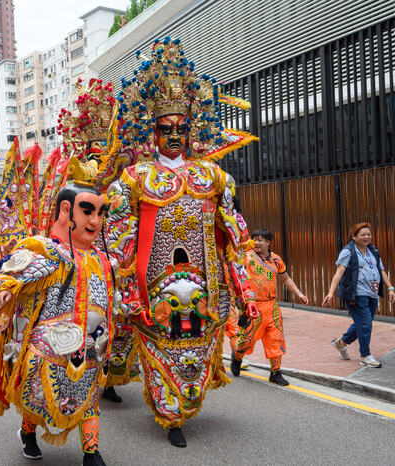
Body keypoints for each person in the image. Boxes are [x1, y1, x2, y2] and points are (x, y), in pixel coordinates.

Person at [107, 38, 259, 448]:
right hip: (152, 283)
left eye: (181, 129)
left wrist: (244, 291)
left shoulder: (214, 178)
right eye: (165, 129)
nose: (174, 136)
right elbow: (119, 240)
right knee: (164, 347)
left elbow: (231, 241)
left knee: (195, 347)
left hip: (207, 282)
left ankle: (183, 404)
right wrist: (126, 292)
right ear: (151, 131)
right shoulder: (134, 180)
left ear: (192, 130)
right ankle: (169, 414)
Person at [0, 159, 117, 466]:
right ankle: (28, 432)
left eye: (100, 213)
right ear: (66, 211)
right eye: (87, 211)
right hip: (49, 348)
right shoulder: (46, 251)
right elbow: (8, 278)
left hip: (92, 347)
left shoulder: (103, 260)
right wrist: (2, 292)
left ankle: (92, 453)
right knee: (37, 401)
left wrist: (130, 311)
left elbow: (109, 299)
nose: (95, 221)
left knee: (90, 401)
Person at [230, 230, 308, 385]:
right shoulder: (246, 257)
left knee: (275, 340)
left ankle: (275, 373)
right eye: (254, 240)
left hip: (272, 307)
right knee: (246, 340)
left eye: (260, 240)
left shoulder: (276, 260)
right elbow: (236, 277)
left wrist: (298, 293)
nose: (257, 243)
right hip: (252, 307)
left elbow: (285, 278)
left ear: (268, 242)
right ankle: (237, 356)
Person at [322, 222, 395, 368]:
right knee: (365, 323)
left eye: (368, 234)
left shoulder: (373, 250)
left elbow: (381, 270)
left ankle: (341, 343)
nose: (366, 237)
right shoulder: (348, 251)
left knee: (362, 324)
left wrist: (390, 288)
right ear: (354, 237)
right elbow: (339, 273)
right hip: (356, 294)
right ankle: (365, 355)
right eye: (363, 234)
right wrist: (330, 293)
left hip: (372, 293)